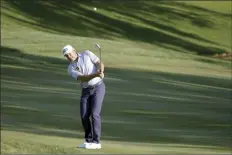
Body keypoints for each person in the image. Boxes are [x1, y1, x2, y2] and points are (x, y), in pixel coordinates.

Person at [61, 45, 105, 149]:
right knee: (84, 115)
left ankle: (96, 142)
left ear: (74, 50)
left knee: (95, 114)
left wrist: (101, 70)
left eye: (70, 53)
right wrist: (96, 74)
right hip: (86, 90)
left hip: (98, 87)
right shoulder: (70, 68)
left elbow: (99, 63)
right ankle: (88, 140)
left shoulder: (87, 53)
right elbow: (83, 78)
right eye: (66, 56)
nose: (69, 56)